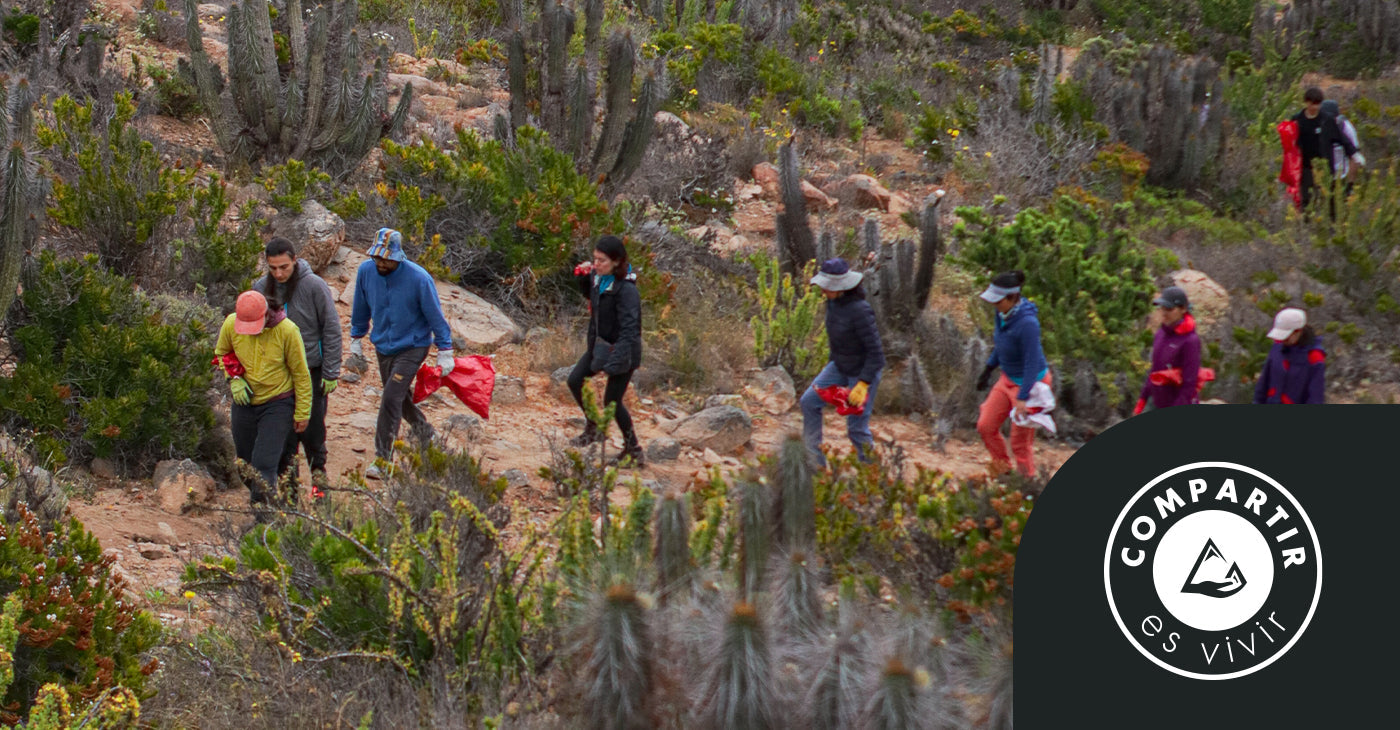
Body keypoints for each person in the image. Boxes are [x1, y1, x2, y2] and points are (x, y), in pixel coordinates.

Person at [349, 228, 455, 479]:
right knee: (398, 397)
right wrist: (356, 337)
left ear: (398, 256)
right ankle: (425, 432)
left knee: (390, 398)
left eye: (386, 258)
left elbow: (435, 316)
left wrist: (445, 349)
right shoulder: (366, 271)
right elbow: (361, 305)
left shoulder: (419, 279)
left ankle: (383, 460)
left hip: (413, 345)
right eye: (377, 257)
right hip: (383, 345)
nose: (381, 263)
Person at [250, 237, 342, 499]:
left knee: (313, 431)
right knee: (285, 436)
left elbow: (332, 328)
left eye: (284, 267)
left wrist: (331, 370)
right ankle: (290, 493)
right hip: (280, 375)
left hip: (312, 370)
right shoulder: (261, 288)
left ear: (294, 260)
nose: (278, 273)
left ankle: (320, 488)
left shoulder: (313, 285)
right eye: (273, 268)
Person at [214, 290, 312, 505]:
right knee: (245, 465)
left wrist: (302, 412)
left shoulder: (287, 331)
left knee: (263, 465)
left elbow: (301, 374)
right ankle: (273, 502)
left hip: (278, 403)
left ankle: (264, 517)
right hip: (245, 403)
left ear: (266, 314)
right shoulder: (231, 324)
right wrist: (234, 378)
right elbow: (221, 352)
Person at [798, 258, 885, 468]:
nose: (823, 290)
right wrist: (830, 371)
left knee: (856, 428)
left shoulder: (860, 310)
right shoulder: (832, 303)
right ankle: (814, 463)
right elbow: (837, 342)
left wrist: (862, 384)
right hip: (839, 366)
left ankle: (872, 474)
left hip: (863, 372)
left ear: (841, 287)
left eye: (827, 287)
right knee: (808, 402)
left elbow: (876, 354)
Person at [567, 235, 645, 466]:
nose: (596, 264)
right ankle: (594, 427)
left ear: (616, 262)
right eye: (595, 259)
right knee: (574, 380)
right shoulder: (598, 279)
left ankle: (634, 450)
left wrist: (616, 360)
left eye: (602, 260)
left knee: (613, 400)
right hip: (600, 345)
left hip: (624, 349)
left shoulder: (627, 290)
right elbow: (590, 297)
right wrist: (582, 278)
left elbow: (631, 329)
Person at [974, 270, 1051, 479]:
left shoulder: (1028, 324)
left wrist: (1023, 397)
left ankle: (1027, 487)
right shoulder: (1001, 314)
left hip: (1032, 384)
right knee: (985, 425)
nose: (994, 304)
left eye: (997, 300)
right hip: (1007, 379)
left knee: (1020, 441)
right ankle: (1004, 472)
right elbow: (1001, 344)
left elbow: (1032, 362)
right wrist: (988, 369)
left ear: (1012, 297)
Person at [1133, 286, 1203, 415]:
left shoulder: (1190, 341)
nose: (1164, 313)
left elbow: (1189, 385)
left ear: (1183, 309)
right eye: (1162, 308)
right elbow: (1154, 371)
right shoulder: (1161, 334)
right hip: (1156, 400)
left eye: (1169, 309)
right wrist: (1142, 400)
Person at [1292, 87, 1363, 212]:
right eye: (1313, 104)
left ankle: (1331, 227)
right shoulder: (1297, 119)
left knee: (1329, 201)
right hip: (1306, 167)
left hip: (1325, 167)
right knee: (1307, 201)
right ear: (1307, 103)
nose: (1316, 107)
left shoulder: (1327, 120)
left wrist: (1354, 154)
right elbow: (1290, 141)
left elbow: (1342, 139)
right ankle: (1306, 226)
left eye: (1318, 104)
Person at [1253, 307, 1326, 405]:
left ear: (1298, 331)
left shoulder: (1314, 356)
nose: (1283, 340)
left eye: (1286, 337)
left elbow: (1315, 397)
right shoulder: (1277, 346)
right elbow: (1263, 383)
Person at [1322, 99, 1361, 197]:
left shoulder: (1346, 128)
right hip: (1321, 176)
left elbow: (1355, 157)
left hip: (1341, 176)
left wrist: (1350, 184)